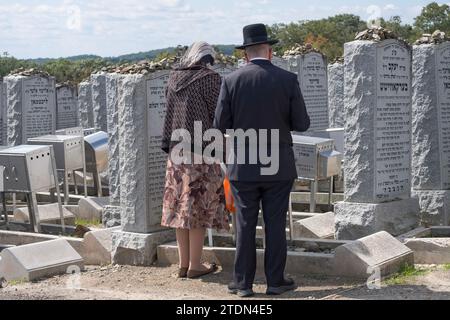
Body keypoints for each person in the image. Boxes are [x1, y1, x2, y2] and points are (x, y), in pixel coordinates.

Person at [214, 24, 310, 297]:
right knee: (276, 223)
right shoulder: (287, 79)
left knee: (244, 223)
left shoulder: (231, 81)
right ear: (269, 51)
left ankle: (243, 284)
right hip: (278, 162)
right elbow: (302, 123)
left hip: (243, 163)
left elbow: (220, 125)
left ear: (246, 54)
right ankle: (275, 281)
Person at [161, 41, 230, 279]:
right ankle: (195, 265)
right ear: (207, 60)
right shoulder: (210, 79)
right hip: (201, 152)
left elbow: (169, 114)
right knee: (198, 210)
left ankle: (183, 264)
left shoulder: (173, 78)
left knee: (181, 210)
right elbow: (219, 115)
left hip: (176, 152)